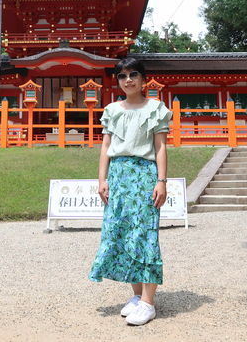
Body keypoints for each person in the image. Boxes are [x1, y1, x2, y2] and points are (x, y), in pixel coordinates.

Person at [88, 57, 172, 326]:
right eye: (122, 76)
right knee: (122, 233)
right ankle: (137, 296)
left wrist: (161, 181)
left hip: (144, 176)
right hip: (118, 177)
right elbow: (105, 146)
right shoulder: (112, 109)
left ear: (144, 79)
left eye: (134, 75)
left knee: (145, 233)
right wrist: (102, 179)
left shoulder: (156, 108)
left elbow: (160, 147)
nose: (128, 80)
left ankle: (148, 303)